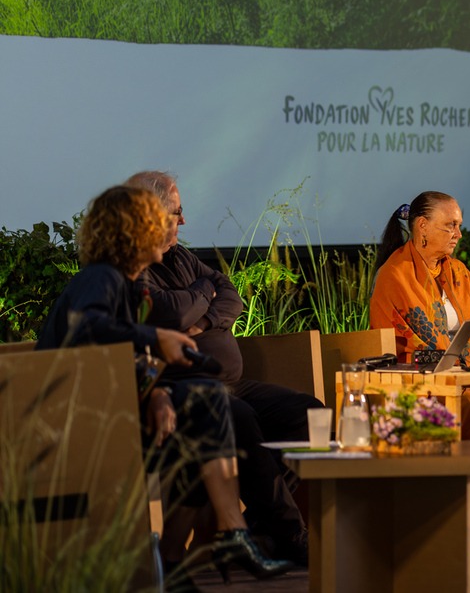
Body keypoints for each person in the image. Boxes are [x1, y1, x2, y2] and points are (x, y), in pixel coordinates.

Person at [36, 185, 292, 586]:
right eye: (160, 222)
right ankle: (211, 543)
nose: (174, 227)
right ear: (134, 230)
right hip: (72, 424)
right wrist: (156, 340)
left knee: (203, 419)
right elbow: (87, 329)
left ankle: (185, 555)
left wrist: (153, 389)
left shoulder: (132, 285)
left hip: (109, 408)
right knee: (208, 411)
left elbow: (118, 353)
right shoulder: (101, 277)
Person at [125, 171, 316, 566]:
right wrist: (200, 295)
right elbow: (169, 311)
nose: (183, 221)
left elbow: (230, 296)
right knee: (239, 418)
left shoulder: (180, 255)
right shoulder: (132, 264)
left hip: (231, 384)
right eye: (176, 212)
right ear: (151, 213)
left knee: (310, 415)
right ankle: (290, 535)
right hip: (181, 391)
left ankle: (256, 531)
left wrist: (201, 320)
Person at [369, 190, 470, 535]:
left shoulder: (459, 272)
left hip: (460, 371)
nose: (459, 234)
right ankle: (460, 505)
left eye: (459, 226)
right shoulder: (395, 274)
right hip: (412, 378)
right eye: (450, 226)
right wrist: (458, 375)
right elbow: (403, 345)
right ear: (422, 226)